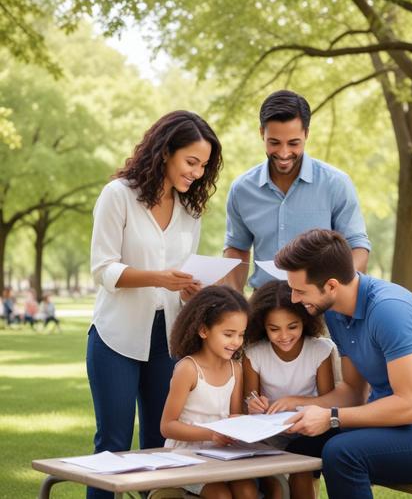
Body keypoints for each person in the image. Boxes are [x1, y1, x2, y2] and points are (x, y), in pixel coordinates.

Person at [273, 229, 412, 499]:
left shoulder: (389, 311)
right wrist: (298, 404)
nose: (294, 299)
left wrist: (331, 417)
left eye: (300, 291)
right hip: (397, 427)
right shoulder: (334, 312)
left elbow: (411, 406)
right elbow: (354, 391)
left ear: (332, 286)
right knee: (301, 445)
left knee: (343, 454)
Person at [87, 111, 223, 499]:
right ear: (166, 152)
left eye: (203, 166)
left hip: (168, 340)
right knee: (112, 445)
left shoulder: (190, 210)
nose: (197, 173)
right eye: (191, 162)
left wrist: (186, 288)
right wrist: (158, 276)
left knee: (159, 446)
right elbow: (103, 268)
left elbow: (177, 277)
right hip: (116, 338)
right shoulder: (119, 196)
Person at [223, 89, 370, 292]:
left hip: (321, 306)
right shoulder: (242, 189)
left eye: (293, 143)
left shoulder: (335, 183)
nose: (284, 153)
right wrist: (235, 300)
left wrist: (336, 292)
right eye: (274, 142)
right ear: (261, 133)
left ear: (306, 134)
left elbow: (357, 246)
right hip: (265, 305)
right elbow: (237, 248)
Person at [160, 285, 258, 499]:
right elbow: (167, 426)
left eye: (241, 335)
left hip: (222, 453)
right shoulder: (188, 369)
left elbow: (233, 416)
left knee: (248, 491)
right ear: (203, 330)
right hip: (186, 454)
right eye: (228, 334)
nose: (236, 342)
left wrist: (247, 423)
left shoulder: (236, 368)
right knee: (220, 495)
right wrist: (211, 434)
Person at [243, 280, 336, 499]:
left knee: (300, 465)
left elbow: (330, 399)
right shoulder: (255, 353)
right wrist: (253, 404)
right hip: (268, 433)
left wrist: (295, 401)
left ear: (305, 320)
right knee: (272, 483)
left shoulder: (319, 350)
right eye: (274, 329)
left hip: (306, 427)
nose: (284, 336)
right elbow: (249, 399)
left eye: (292, 327)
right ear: (262, 326)